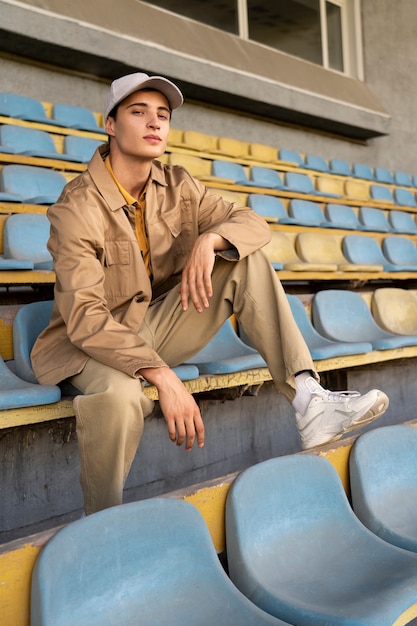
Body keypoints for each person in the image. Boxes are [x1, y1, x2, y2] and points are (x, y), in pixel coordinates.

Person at [31, 72, 389, 515]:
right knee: (121, 397)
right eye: (138, 112)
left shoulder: (178, 184)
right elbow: (85, 317)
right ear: (110, 124)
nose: (154, 123)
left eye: (162, 115)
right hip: (86, 347)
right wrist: (162, 375)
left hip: (151, 327)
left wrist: (210, 241)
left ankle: (308, 400)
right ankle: (102, 524)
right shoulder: (76, 207)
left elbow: (253, 224)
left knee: (243, 256)